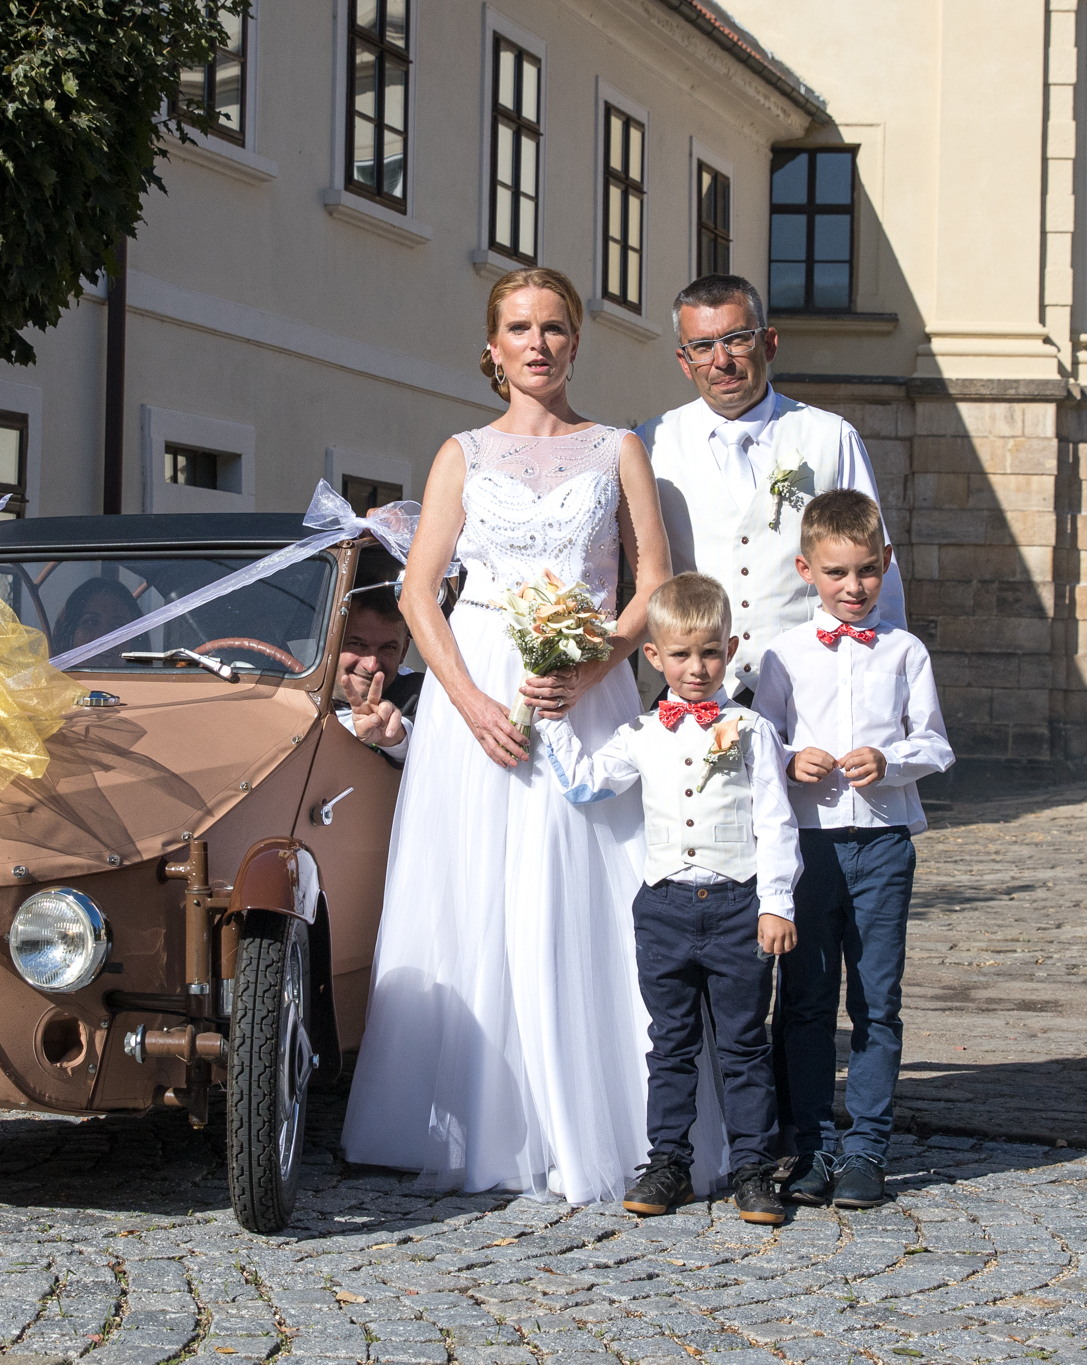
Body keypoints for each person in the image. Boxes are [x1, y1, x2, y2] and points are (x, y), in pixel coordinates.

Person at [341, 266, 675, 1203]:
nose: (538, 343)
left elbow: (653, 583)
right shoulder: (461, 453)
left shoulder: (618, 449)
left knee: (580, 892)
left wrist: (591, 667)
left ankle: (597, 1118)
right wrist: (469, 701)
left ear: (576, 341)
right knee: (475, 888)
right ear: (493, 348)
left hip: (582, 685)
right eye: (520, 328)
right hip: (480, 682)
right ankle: (480, 1119)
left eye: (555, 327)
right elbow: (419, 591)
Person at [535, 572, 801, 1225]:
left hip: (738, 907)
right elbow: (588, 785)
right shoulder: (640, 732)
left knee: (743, 1045)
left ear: (730, 649)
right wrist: (554, 721)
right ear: (654, 655)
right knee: (671, 1044)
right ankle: (669, 1162)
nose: (697, 667)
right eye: (681, 654)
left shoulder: (752, 730)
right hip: (664, 910)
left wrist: (776, 903)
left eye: (710, 652)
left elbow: (776, 821)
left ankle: (753, 1168)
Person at [753, 490, 954, 1210]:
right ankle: (808, 1143)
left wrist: (891, 760)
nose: (853, 586)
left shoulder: (905, 651)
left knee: (877, 998)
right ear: (807, 569)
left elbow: (936, 743)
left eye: (867, 570)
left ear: (886, 563)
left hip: (883, 846)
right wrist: (789, 759)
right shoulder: (782, 655)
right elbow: (758, 745)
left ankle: (868, 1146)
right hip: (807, 849)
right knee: (804, 999)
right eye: (837, 572)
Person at [635, 274, 905, 703]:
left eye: (737, 339)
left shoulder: (831, 437)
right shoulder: (650, 444)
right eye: (702, 347)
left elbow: (876, 571)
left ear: (769, 343)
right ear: (685, 362)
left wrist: (887, 688)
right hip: (697, 695)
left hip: (814, 692)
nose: (721, 361)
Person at [334, 550, 424, 763]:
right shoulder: (291, 690)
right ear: (332, 642)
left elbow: (430, 748)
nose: (372, 665)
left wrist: (393, 737)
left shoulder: (420, 695)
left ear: (404, 651)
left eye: (388, 648)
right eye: (357, 644)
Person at [51, 576, 140, 665]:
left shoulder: (147, 675)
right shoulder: (45, 674)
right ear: (69, 634)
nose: (103, 637)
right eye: (91, 622)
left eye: (117, 626)